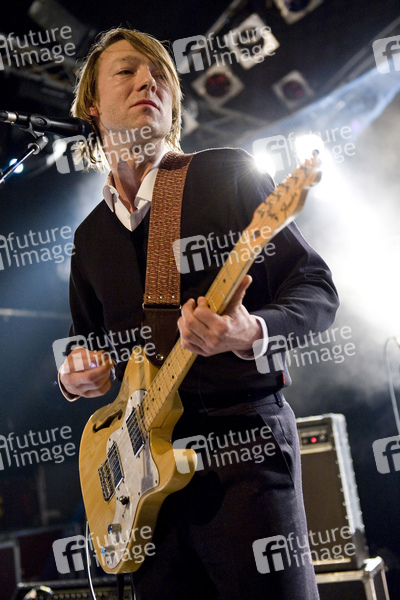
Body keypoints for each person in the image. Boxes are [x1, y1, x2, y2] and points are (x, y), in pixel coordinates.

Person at [58, 27, 339, 600]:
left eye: (160, 74)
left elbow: (316, 288)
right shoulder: (89, 238)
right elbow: (84, 343)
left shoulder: (224, 173)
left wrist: (249, 330)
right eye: (127, 71)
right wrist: (75, 373)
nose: (148, 81)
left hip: (242, 452)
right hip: (142, 487)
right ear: (92, 106)